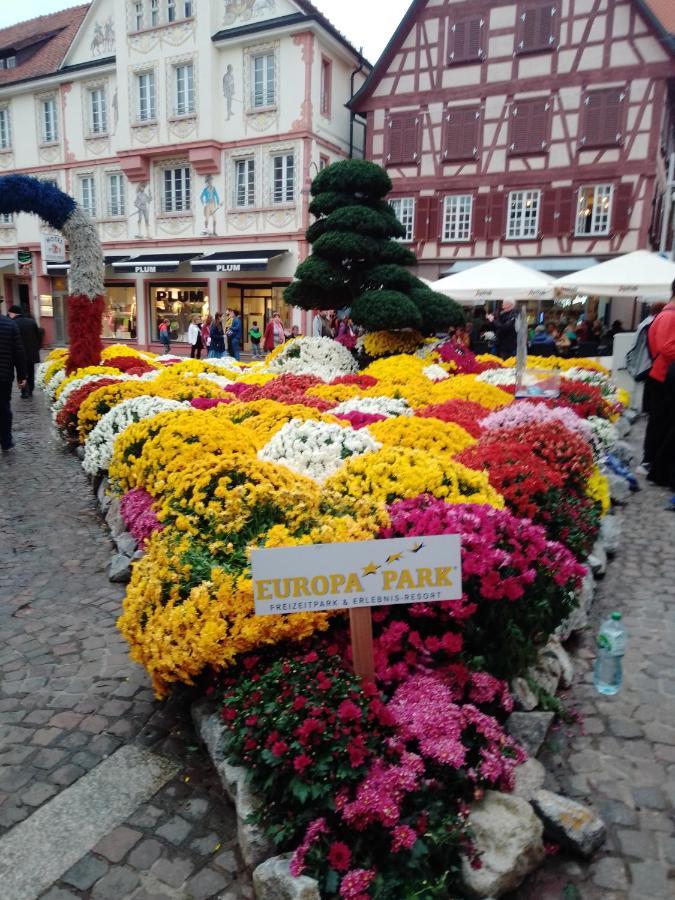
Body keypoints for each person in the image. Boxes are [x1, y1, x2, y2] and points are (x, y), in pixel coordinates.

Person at [643, 286, 675, 489]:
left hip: (662, 375)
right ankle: (653, 464)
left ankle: (654, 463)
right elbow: (666, 347)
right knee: (662, 423)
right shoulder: (670, 316)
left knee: (662, 423)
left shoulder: (666, 315)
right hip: (663, 376)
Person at [0, 313, 27, 453]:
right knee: (4, 407)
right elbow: (18, 352)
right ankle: (6, 441)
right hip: (4, 376)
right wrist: (21, 376)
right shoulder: (10, 324)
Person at [7, 305, 41, 397]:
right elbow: (39, 336)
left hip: (19, 353)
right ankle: (31, 389)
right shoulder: (31, 322)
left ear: (12, 313)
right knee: (31, 371)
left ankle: (25, 391)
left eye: (9, 313)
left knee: (21, 371)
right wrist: (37, 348)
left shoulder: (12, 323)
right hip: (31, 352)